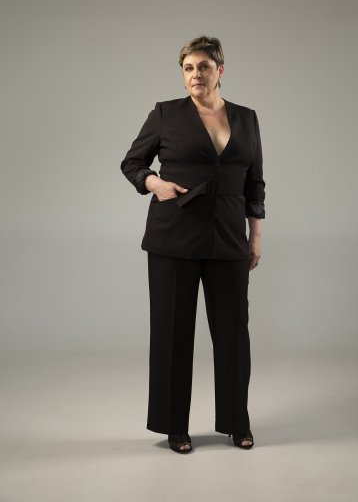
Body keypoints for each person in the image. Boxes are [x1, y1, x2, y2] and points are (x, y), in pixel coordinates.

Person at [120, 35, 265, 454]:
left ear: (220, 71)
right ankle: (174, 427)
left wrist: (255, 236)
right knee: (173, 333)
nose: (195, 74)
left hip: (228, 238)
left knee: (233, 334)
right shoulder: (166, 114)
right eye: (188, 68)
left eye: (203, 66)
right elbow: (132, 162)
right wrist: (155, 184)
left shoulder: (246, 118)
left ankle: (237, 422)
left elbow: (255, 182)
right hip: (173, 236)